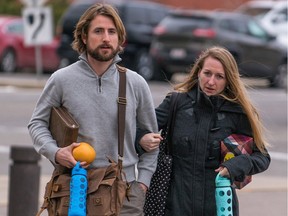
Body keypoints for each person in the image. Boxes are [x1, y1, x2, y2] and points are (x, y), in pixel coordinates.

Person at [28, 3, 161, 215]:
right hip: (74, 190)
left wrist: (142, 184)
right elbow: (37, 123)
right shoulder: (62, 79)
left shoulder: (135, 83)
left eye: (112, 32)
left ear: (119, 38)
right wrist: (55, 152)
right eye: (98, 31)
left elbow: (152, 142)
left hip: (124, 193)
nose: (106, 38)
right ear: (83, 37)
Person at [138, 46, 271, 216]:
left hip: (218, 207)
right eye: (207, 73)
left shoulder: (238, 113)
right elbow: (138, 129)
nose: (211, 82)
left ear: (228, 80)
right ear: (198, 72)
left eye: (219, 77)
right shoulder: (176, 103)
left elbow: (262, 157)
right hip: (174, 206)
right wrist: (142, 139)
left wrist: (235, 166)